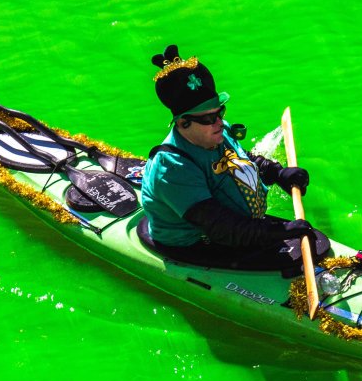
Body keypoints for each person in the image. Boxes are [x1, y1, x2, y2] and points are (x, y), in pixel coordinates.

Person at [140, 44, 327, 271]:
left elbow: (241, 159)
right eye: (209, 118)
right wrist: (275, 233)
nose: (219, 122)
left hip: (232, 227)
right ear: (183, 123)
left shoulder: (216, 132)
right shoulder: (172, 168)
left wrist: (277, 173)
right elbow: (221, 228)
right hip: (200, 242)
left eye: (220, 112)